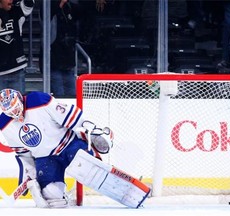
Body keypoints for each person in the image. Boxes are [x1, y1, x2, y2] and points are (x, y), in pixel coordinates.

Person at [0, 88, 150, 208]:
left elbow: (70, 116)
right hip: (45, 158)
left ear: (20, 99)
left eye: (16, 108)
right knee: (52, 197)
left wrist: (90, 129)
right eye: (10, 112)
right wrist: (29, 173)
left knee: (85, 165)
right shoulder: (5, 124)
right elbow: (23, 153)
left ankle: (103, 153)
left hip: (68, 145)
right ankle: (65, 195)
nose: (15, 114)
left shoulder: (38, 100)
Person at [40, 0, 80, 97]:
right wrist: (60, 3)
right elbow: (46, 17)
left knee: (73, 96)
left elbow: (81, 12)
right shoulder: (48, 6)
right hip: (54, 62)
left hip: (68, 62)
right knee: (59, 96)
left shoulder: (69, 7)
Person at [0, 0, 35, 93]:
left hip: (17, 70)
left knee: (18, 105)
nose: (11, 0)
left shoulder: (16, 11)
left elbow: (28, 5)